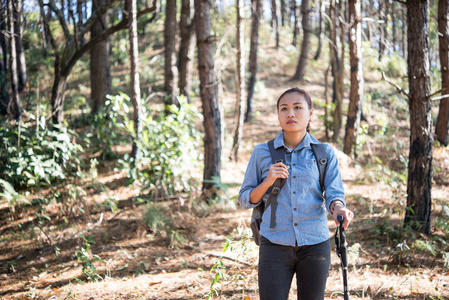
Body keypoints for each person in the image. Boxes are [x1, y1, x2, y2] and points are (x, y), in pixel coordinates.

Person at [238, 87, 354, 300]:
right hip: (274, 244)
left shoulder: (324, 153)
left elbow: (334, 194)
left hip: (315, 244)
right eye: (284, 108)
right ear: (278, 115)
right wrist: (268, 181)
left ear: (310, 113)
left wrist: (340, 209)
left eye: (297, 107)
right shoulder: (262, 152)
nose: (290, 113)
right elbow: (246, 199)